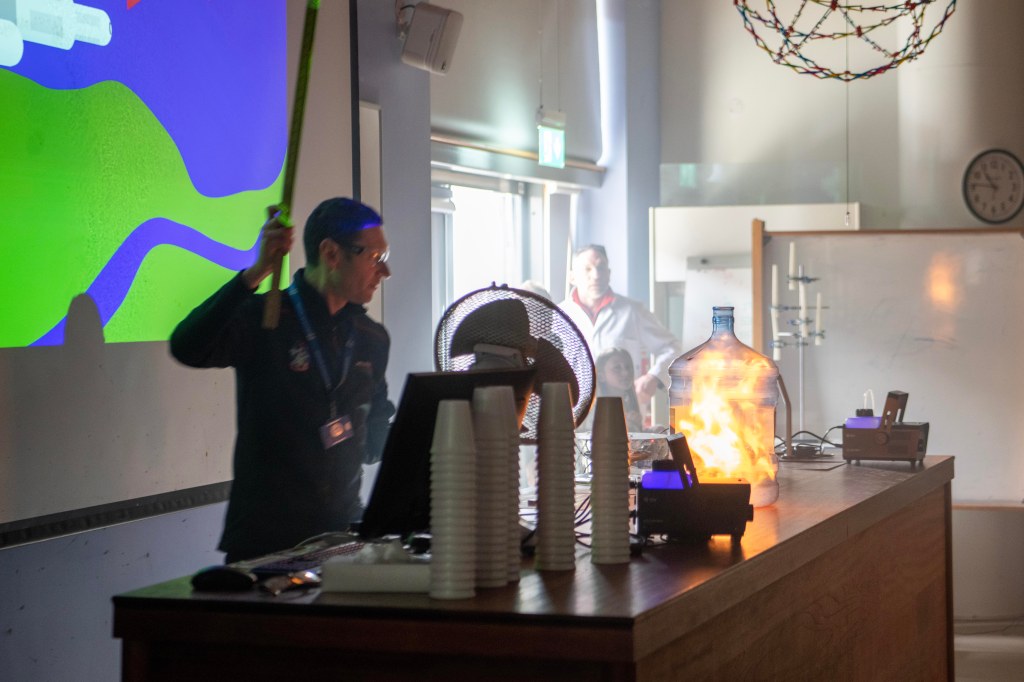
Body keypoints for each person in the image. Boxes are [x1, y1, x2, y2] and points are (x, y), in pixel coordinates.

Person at [170, 198, 395, 564]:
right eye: (375, 258)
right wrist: (255, 274)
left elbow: (374, 438)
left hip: (343, 536)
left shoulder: (371, 336)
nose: (385, 271)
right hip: (266, 542)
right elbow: (187, 347)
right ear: (331, 253)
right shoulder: (268, 317)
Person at [559, 244, 682, 416]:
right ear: (572, 277)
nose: (596, 275)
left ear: (609, 273)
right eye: (587, 269)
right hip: (573, 410)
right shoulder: (559, 316)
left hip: (625, 412)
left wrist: (654, 377)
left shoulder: (632, 311)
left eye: (601, 267)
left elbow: (672, 348)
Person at [594, 347, 644, 433]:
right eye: (617, 368)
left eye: (628, 367)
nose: (626, 373)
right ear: (601, 376)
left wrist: (652, 431)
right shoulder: (593, 409)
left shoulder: (628, 403)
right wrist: (625, 426)